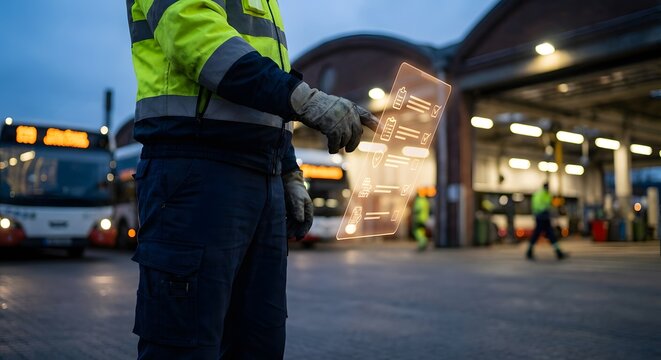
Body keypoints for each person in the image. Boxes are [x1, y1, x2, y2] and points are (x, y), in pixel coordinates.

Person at [125, 1, 379, 359]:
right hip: (198, 170)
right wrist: (305, 100)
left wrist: (288, 169)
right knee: (184, 345)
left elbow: (268, 85)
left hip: (261, 174)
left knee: (260, 341)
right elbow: (196, 38)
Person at [527, 183, 567, 260]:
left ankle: (529, 251)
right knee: (548, 234)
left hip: (542, 217)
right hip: (542, 217)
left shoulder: (541, 194)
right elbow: (543, 206)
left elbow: (544, 205)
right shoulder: (543, 194)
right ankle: (558, 252)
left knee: (539, 234)